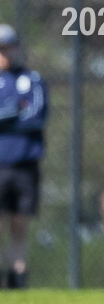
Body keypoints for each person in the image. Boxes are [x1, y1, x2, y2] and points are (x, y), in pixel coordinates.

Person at [0, 25, 48, 289]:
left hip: (25, 167)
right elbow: (22, 114)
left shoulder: (32, 79)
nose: (4, 54)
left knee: (19, 225)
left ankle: (17, 281)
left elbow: (36, 117)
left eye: (8, 47)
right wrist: (15, 111)